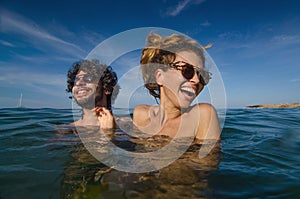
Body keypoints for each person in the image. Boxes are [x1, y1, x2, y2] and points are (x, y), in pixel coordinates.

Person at [133, 33, 220, 140]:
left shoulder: (203, 116)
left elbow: (207, 156)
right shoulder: (140, 113)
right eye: (187, 70)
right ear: (159, 77)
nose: (197, 80)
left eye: (202, 76)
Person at [66, 59, 119, 128]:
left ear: (107, 88)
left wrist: (109, 132)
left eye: (88, 78)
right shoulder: (66, 130)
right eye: (75, 80)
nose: (78, 83)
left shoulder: (128, 125)